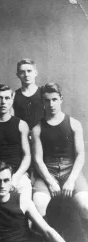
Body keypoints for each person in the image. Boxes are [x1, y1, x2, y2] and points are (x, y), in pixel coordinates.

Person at [32, 82, 88, 219]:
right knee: (39, 205)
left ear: (61, 99)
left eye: (54, 99)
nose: (51, 104)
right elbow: (38, 160)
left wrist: (71, 180)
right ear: (42, 102)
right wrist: (50, 182)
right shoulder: (37, 129)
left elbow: (80, 155)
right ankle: (43, 240)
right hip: (47, 172)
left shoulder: (74, 124)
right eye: (47, 100)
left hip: (71, 171)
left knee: (85, 205)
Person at [13, 59, 45, 130]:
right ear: (18, 75)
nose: (26, 75)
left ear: (36, 73)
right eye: (22, 72)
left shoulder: (43, 93)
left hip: (41, 135)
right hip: (21, 135)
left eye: (29, 71)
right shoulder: (14, 95)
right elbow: (12, 121)